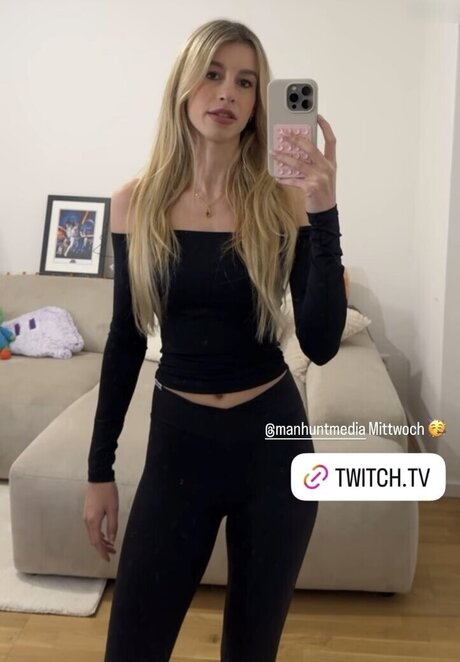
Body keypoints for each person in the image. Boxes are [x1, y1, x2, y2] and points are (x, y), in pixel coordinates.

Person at [83, 18, 347, 662]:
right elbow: (125, 340)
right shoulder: (135, 203)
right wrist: (99, 471)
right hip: (179, 447)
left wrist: (325, 212)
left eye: (246, 82)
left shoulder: (283, 202)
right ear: (184, 85)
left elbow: (320, 342)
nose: (227, 91)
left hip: (274, 451)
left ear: (259, 105)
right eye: (213, 73)